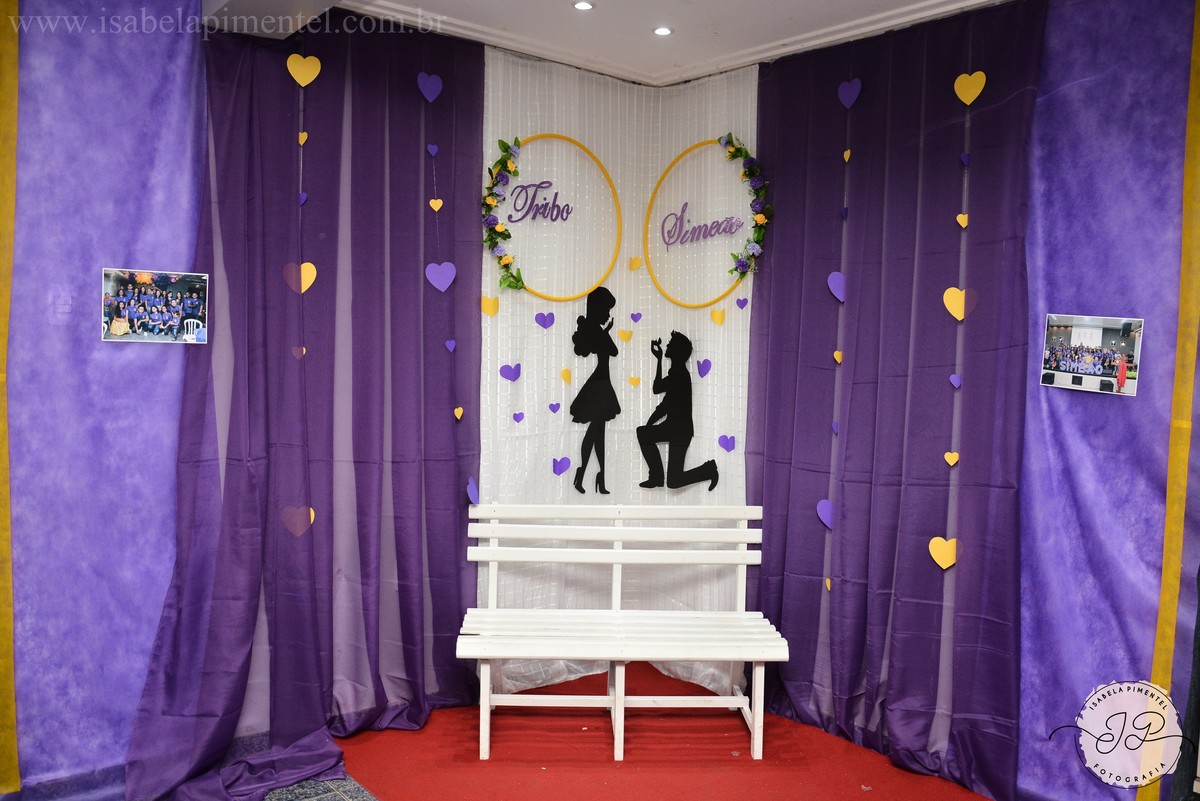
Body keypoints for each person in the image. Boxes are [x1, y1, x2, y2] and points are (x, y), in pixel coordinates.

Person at [636, 331, 718, 491]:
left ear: (676, 351)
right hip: (676, 428)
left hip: (679, 430)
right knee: (673, 479)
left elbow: (660, 395)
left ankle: (707, 470)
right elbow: (662, 397)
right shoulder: (677, 372)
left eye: (670, 344)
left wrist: (649, 424)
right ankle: (657, 477)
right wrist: (659, 359)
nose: (667, 345)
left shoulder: (679, 374)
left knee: (673, 480)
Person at [569, 287, 620, 494]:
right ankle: (589, 475)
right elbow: (613, 351)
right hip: (600, 384)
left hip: (600, 382)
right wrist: (606, 333)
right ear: (598, 309)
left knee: (598, 434)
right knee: (595, 434)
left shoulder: (594, 329)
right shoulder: (596, 330)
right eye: (607, 309)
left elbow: (609, 350)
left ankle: (594, 476)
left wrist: (605, 332)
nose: (608, 314)